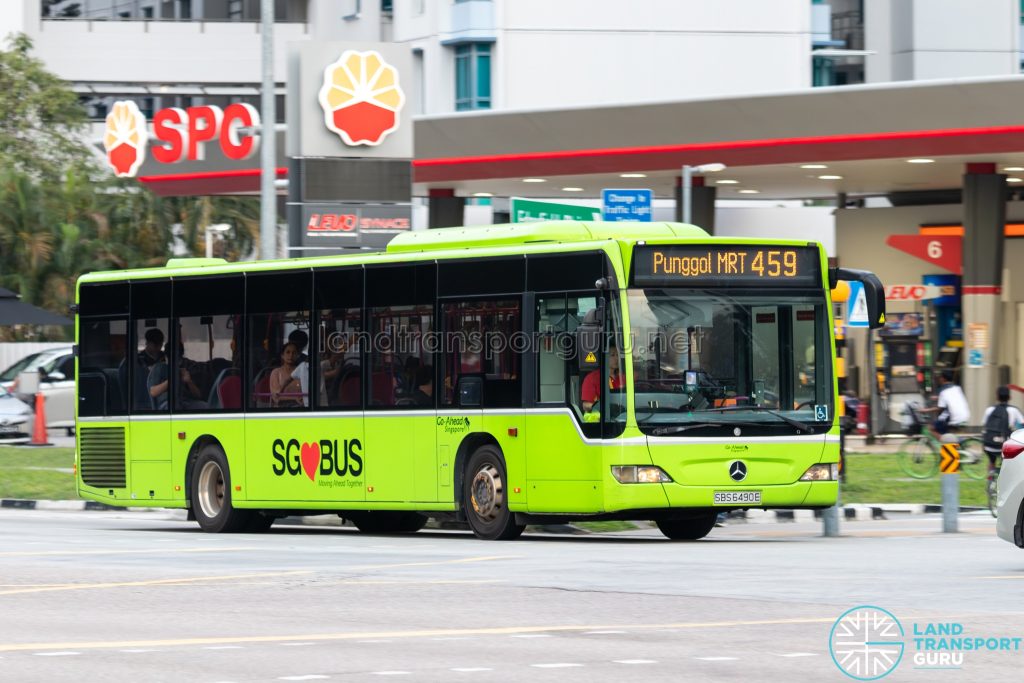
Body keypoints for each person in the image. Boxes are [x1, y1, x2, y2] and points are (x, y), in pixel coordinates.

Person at [982, 386, 1024, 470]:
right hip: (1005, 446)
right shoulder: (1014, 410)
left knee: (991, 460)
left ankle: (990, 476)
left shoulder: (989, 409)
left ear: (997, 397)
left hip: (988, 445)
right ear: (1009, 397)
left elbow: (984, 424)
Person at [923, 369, 970, 434]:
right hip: (965, 417)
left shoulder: (943, 391)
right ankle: (949, 442)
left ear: (943, 379)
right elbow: (951, 398)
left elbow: (939, 408)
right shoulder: (957, 388)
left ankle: (943, 443)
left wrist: (925, 410)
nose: (939, 379)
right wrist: (938, 398)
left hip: (953, 418)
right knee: (949, 434)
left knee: (930, 428)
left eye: (940, 377)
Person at [581, 347, 623, 412]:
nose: (617, 358)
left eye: (618, 355)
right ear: (604, 357)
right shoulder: (592, 378)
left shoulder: (623, 377)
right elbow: (585, 405)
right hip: (600, 420)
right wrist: (604, 407)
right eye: (612, 355)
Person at [270, 342, 304, 407]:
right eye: (288, 352)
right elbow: (276, 397)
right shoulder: (276, 372)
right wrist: (294, 399)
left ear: (297, 355)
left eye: (294, 353)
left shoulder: (302, 372)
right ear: (282, 355)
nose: (291, 355)